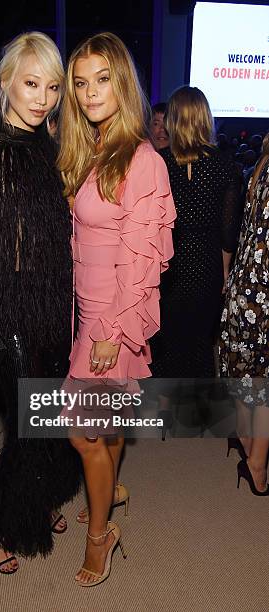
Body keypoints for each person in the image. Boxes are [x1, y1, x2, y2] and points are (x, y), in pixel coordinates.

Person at [0, 32, 80, 575]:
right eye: (31, 84)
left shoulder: (57, 154)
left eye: (51, 87)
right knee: (28, 423)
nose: (42, 97)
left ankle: (41, 498)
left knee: (48, 417)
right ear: (6, 83)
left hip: (55, 307)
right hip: (4, 311)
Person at [58, 32, 176, 586]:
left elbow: (143, 261)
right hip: (91, 311)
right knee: (106, 429)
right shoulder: (94, 148)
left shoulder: (142, 158)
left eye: (101, 79)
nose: (88, 92)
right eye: (80, 83)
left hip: (111, 318)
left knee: (83, 435)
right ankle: (109, 491)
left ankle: (100, 537)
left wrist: (109, 330)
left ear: (122, 81)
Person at [150, 87, 242, 396]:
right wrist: (225, 272)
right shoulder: (226, 165)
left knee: (167, 340)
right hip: (206, 267)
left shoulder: (157, 163)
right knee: (201, 342)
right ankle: (196, 410)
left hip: (168, 268)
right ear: (205, 119)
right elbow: (228, 233)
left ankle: (164, 407)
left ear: (174, 120)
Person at [219, 132, 269, 495]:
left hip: (243, 285)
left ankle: (245, 438)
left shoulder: (262, 166)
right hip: (265, 292)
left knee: (244, 371)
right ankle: (257, 464)